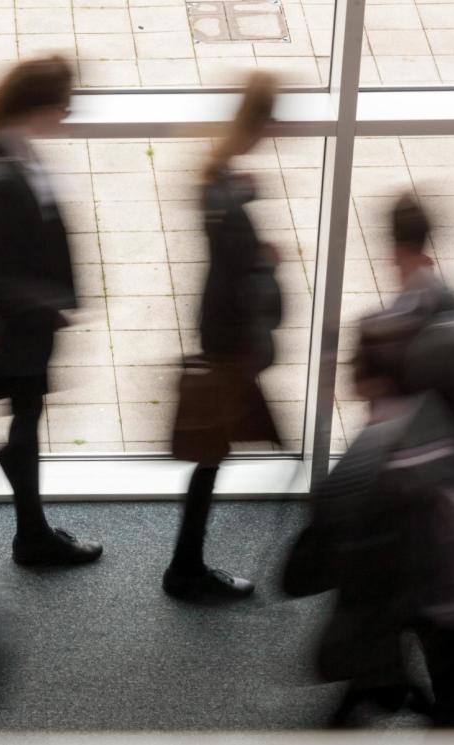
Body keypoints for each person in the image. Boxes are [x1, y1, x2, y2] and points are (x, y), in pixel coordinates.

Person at [304, 194, 454, 729]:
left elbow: (370, 405)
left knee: (394, 608)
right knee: (445, 626)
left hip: (401, 506)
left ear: (390, 246)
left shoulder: (383, 329)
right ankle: (440, 715)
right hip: (449, 504)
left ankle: (373, 691)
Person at [0, 56, 101, 567]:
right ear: (39, 104)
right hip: (16, 332)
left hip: (27, 329)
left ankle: (32, 530)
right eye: (63, 103)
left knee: (25, 419)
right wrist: (50, 304)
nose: (67, 113)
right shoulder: (3, 170)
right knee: (23, 422)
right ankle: (28, 534)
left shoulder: (15, 151)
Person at [164, 72, 284, 602]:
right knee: (211, 454)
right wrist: (261, 261)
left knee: (213, 454)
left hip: (220, 331)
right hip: (231, 339)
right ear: (258, 123)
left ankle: (187, 564)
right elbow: (239, 277)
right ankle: (185, 569)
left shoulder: (220, 177)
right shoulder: (227, 196)